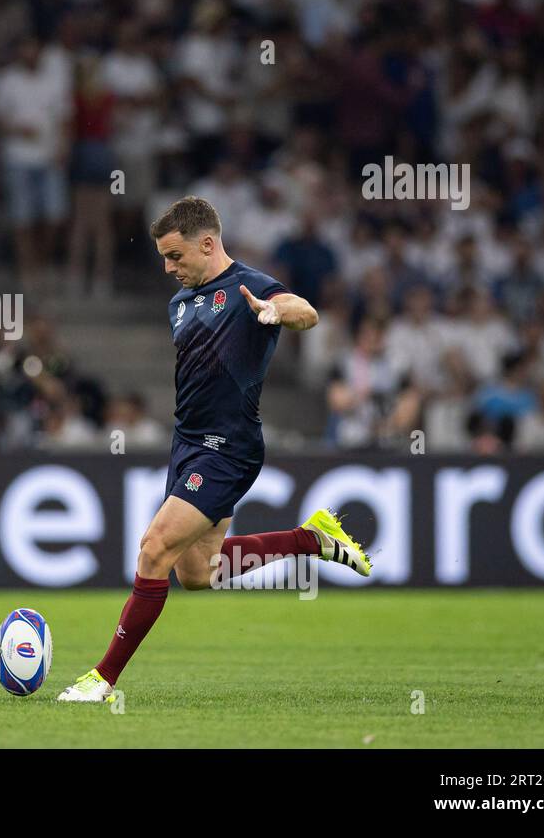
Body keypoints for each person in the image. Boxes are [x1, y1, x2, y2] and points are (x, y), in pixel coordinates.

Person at [57, 195, 369, 703]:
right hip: (187, 445)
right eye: (162, 257)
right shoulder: (179, 304)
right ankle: (310, 540)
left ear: (207, 243)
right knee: (198, 573)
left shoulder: (251, 287)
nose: (167, 267)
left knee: (154, 547)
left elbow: (305, 312)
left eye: (175, 256)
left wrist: (273, 313)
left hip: (228, 449)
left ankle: (102, 679)